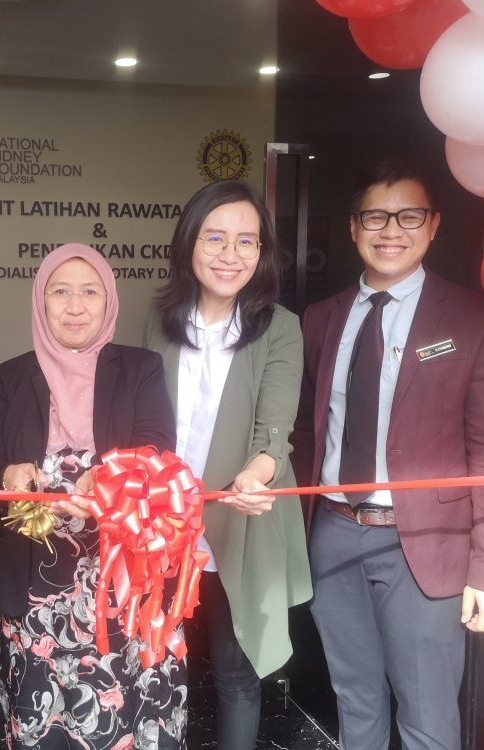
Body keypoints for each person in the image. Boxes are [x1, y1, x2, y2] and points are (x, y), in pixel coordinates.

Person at [291, 157, 484, 750]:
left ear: (434, 224)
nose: (391, 230)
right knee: (355, 697)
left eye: (409, 216)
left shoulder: (473, 320)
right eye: (375, 216)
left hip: (426, 544)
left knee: (426, 711)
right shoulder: (319, 319)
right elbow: (305, 435)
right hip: (332, 535)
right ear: (353, 226)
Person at [0, 244, 186, 750]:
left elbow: (158, 452)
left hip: (122, 579)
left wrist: (106, 479)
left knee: (122, 712)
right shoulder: (9, 377)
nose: (75, 306)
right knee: (44, 717)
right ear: (40, 301)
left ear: (108, 301)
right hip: (37, 585)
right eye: (60, 291)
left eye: (90, 292)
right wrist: (8, 475)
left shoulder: (141, 368)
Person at [144, 181, 313, 750]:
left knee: (235, 671)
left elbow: (275, 432)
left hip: (239, 515)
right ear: (189, 242)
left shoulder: (280, 327)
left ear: (262, 252)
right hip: (162, 524)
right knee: (152, 658)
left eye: (247, 241)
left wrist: (255, 474)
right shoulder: (158, 318)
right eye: (215, 237)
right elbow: (139, 419)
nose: (230, 254)